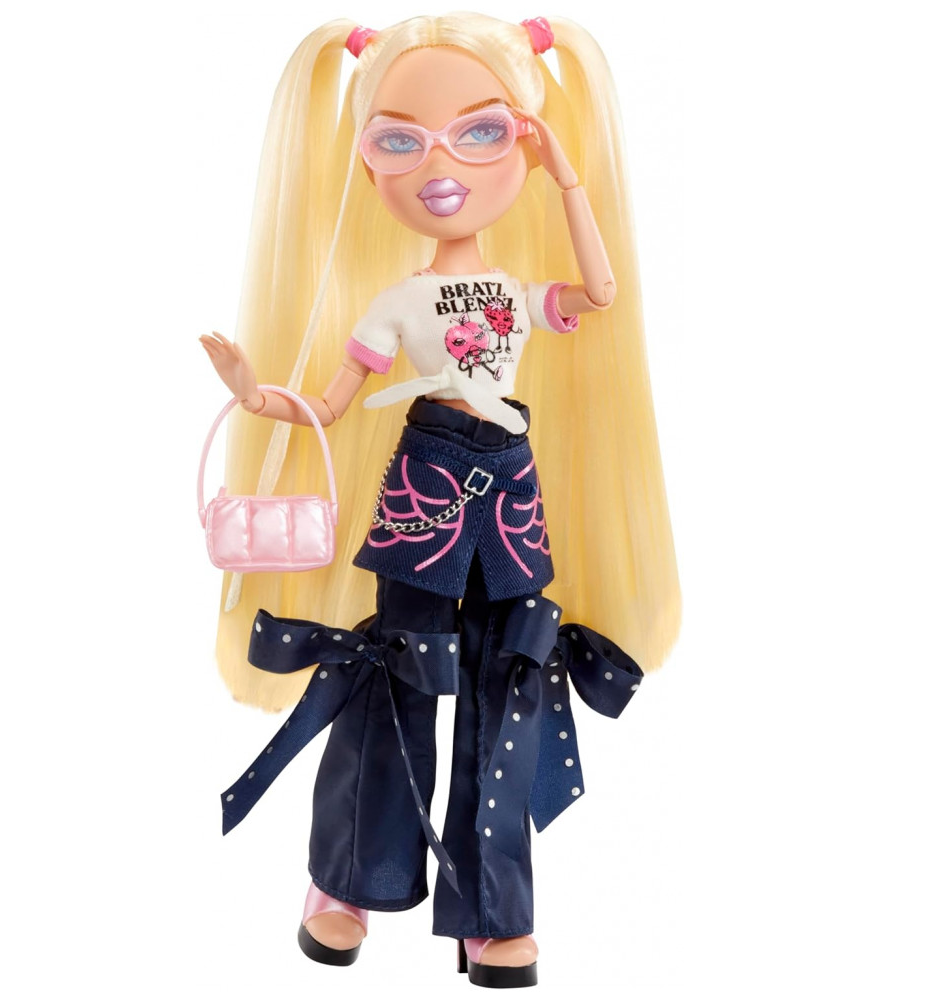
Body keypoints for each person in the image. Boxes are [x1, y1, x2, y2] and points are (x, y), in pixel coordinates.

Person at [200, 14, 680, 989]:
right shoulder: (394, 303)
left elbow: (600, 290)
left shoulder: (514, 293)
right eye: (399, 141)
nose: (441, 166)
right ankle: (346, 879)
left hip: (509, 492)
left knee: (509, 686)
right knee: (394, 676)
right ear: (367, 160)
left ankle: (493, 910)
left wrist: (568, 178)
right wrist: (255, 396)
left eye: (481, 132)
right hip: (422, 490)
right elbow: (329, 404)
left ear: (520, 142)